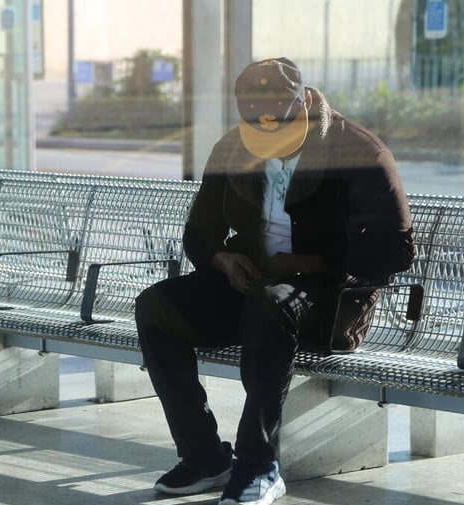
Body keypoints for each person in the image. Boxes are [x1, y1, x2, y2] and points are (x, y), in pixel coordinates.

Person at [135, 57, 414, 505]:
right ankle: (205, 456)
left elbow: (394, 251)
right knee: (156, 306)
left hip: (332, 296)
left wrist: (304, 263)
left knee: (270, 306)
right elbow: (199, 234)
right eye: (259, 134)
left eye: (281, 132)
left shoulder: (358, 150)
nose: (271, 144)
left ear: (305, 102)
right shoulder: (233, 146)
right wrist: (223, 260)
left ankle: (258, 466)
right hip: (252, 285)